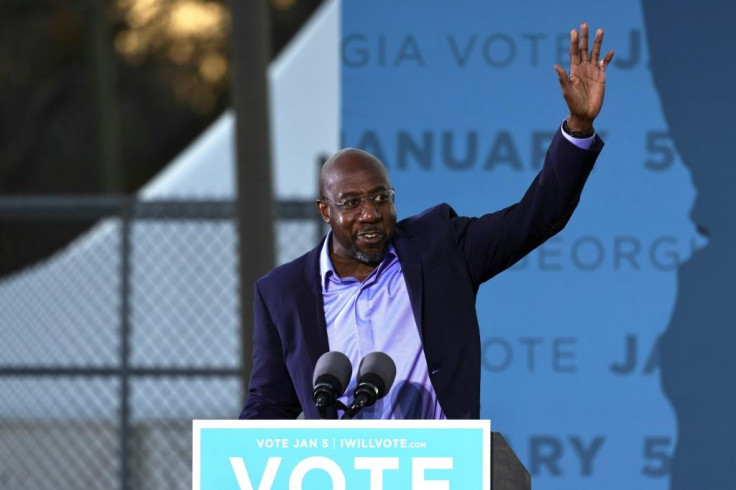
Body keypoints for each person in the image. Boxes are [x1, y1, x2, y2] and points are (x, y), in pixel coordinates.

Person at [239, 23, 614, 420]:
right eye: (351, 202)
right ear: (324, 211)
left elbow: (537, 216)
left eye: (380, 197)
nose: (370, 213)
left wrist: (578, 128)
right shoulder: (282, 293)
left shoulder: (440, 248)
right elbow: (269, 403)